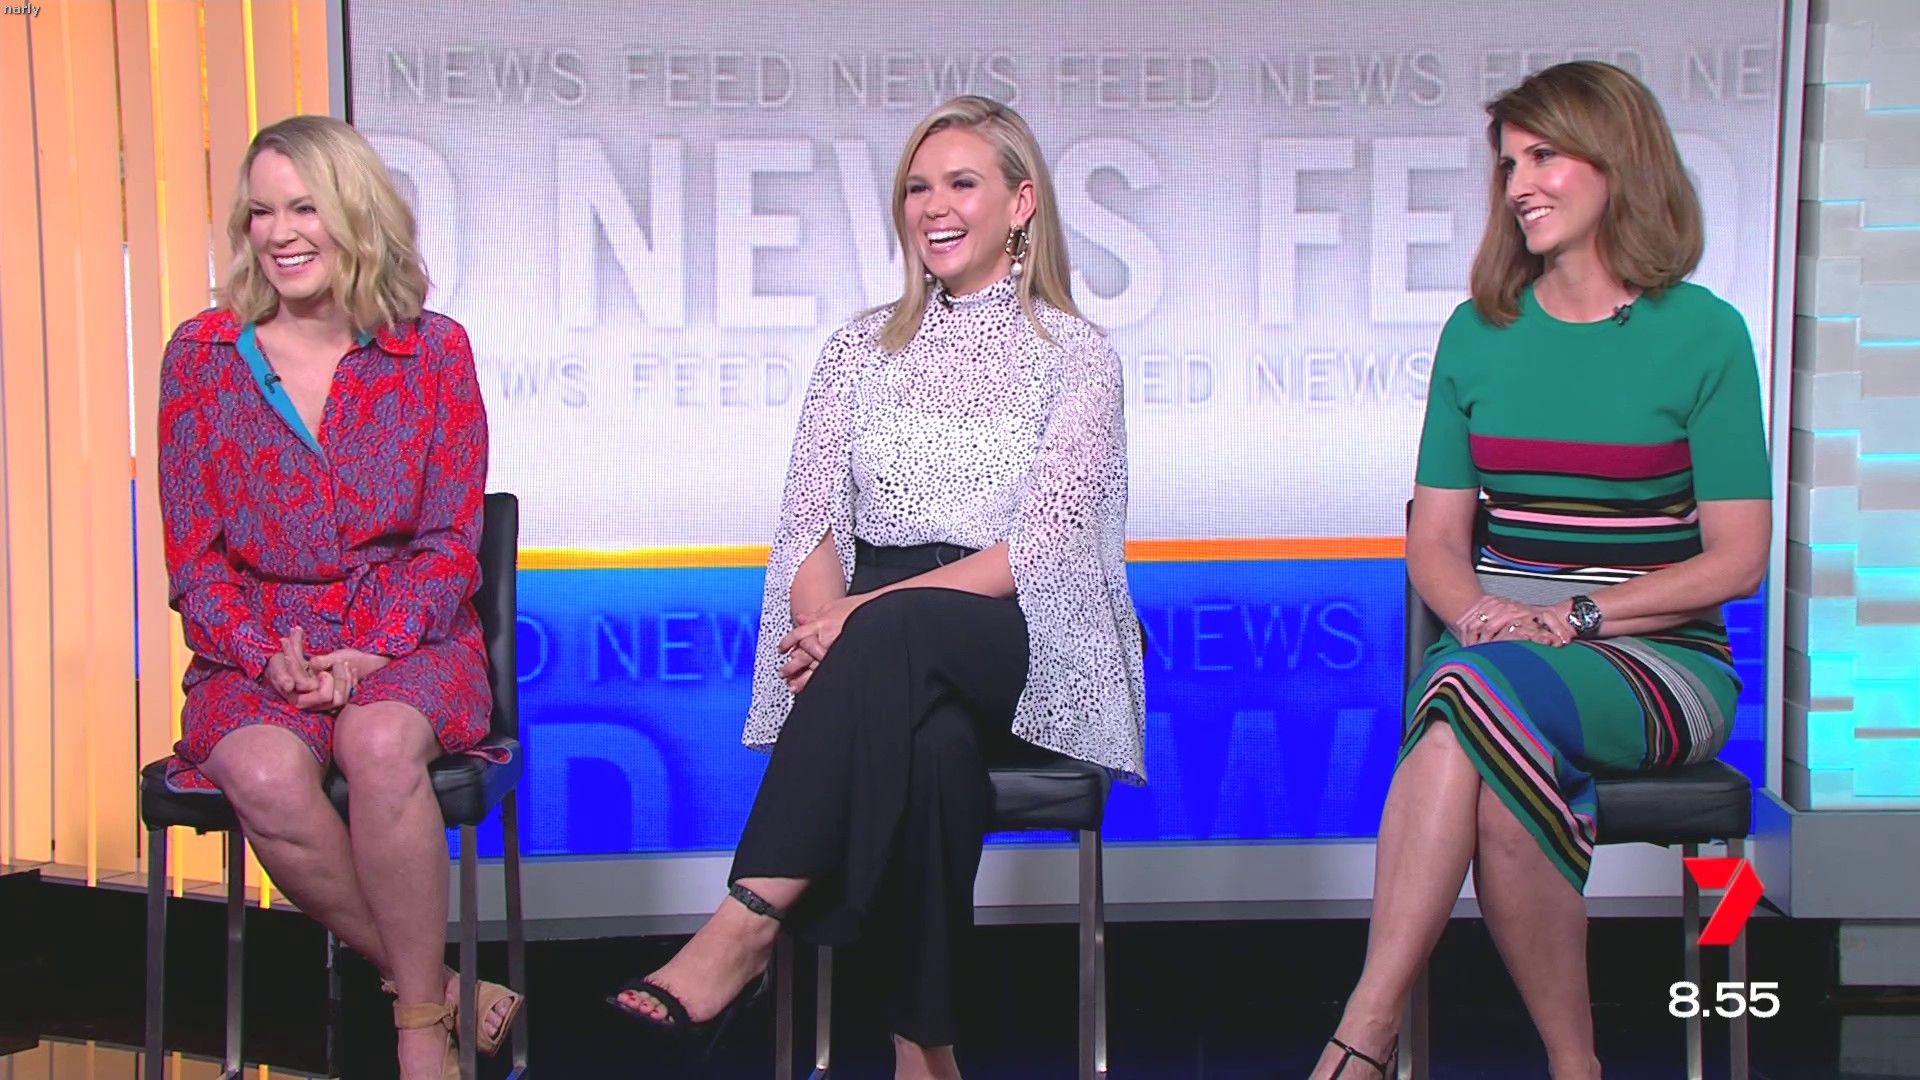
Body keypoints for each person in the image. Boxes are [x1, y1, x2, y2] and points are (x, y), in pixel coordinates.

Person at [609, 95, 1146, 1080]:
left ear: (1021, 202)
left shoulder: (1078, 357)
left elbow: (1044, 547)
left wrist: (855, 621)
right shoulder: (859, 349)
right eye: (917, 187)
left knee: (901, 641)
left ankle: (746, 923)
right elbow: (811, 518)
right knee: (930, 750)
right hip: (885, 634)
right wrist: (826, 618)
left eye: (962, 184)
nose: (933, 207)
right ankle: (923, 1054)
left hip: (1023, 628)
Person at [1313, 61, 1771, 1079]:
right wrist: (1481, 615)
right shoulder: (1479, 334)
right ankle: (1574, 1066)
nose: (1519, 183)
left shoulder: (1705, 335)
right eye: (1509, 163)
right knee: (1484, 731)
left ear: (1617, 162)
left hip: (1661, 662)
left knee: (1466, 708)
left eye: (1544, 156)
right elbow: (1436, 539)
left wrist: (1583, 616)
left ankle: (1365, 1035)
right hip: (1501, 656)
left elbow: (1738, 560)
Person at [157, 115, 521, 1080]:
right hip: (259, 646)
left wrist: (373, 648)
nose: (279, 233)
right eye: (261, 212)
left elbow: (449, 541)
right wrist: (259, 651)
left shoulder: (432, 352)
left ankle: (416, 1034)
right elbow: (195, 560)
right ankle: (440, 991)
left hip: (409, 638)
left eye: (304, 207)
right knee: (264, 771)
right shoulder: (202, 356)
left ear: (355, 213)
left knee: (379, 742)